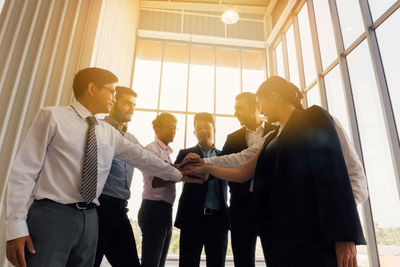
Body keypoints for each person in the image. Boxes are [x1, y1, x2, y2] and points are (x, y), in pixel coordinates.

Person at [5, 67, 201, 267]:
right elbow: (23, 172)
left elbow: (144, 158)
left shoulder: (108, 133)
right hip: (53, 215)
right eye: (111, 91)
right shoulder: (51, 117)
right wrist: (15, 228)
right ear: (92, 88)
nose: (114, 99)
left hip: (91, 218)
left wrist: (178, 173)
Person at [184, 76, 366, 267]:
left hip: (314, 233)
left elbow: (339, 176)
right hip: (279, 232)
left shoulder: (314, 118)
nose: (260, 109)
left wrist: (343, 234)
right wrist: (203, 165)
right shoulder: (271, 136)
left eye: (261, 102)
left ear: (274, 96)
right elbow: (242, 167)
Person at [221, 92, 278, 267]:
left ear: (255, 108)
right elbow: (223, 165)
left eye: (239, 108)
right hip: (241, 209)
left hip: (272, 208)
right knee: (243, 260)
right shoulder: (232, 138)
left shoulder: (277, 131)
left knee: (276, 258)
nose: (235, 113)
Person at [94, 86, 141, 267]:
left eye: (134, 105)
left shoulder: (131, 139)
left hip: (121, 211)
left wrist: (179, 169)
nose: (131, 108)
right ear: (114, 102)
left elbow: (151, 161)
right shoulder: (97, 129)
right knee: (90, 262)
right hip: (98, 209)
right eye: (127, 103)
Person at [175, 112, 229, 267]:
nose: (203, 131)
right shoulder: (185, 154)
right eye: (198, 128)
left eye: (207, 127)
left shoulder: (223, 156)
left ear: (214, 130)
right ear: (194, 132)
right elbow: (175, 174)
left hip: (218, 221)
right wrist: (184, 164)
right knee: (188, 263)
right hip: (191, 218)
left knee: (217, 263)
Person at [138, 112, 178, 267]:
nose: (173, 130)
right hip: (154, 209)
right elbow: (154, 181)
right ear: (157, 129)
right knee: (151, 263)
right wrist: (181, 174)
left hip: (165, 210)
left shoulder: (166, 152)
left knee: (159, 263)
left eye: (175, 127)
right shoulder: (151, 150)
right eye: (170, 127)